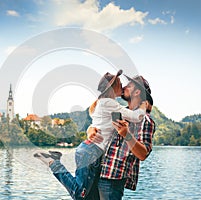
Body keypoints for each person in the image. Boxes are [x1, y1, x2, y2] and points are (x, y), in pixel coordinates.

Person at [34, 70, 147, 200]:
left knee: (88, 196)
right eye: (120, 83)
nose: (122, 86)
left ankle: (54, 160)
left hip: (91, 152)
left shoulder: (104, 103)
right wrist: (143, 107)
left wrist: (91, 129)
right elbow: (136, 116)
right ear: (112, 87)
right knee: (80, 194)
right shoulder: (109, 103)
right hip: (91, 153)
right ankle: (53, 163)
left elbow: (99, 123)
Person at [87, 75, 156, 200]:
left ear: (137, 92)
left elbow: (143, 154)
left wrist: (126, 134)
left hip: (113, 178)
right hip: (97, 171)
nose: (123, 87)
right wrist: (90, 129)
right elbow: (98, 122)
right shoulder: (119, 112)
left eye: (129, 86)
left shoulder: (146, 121)